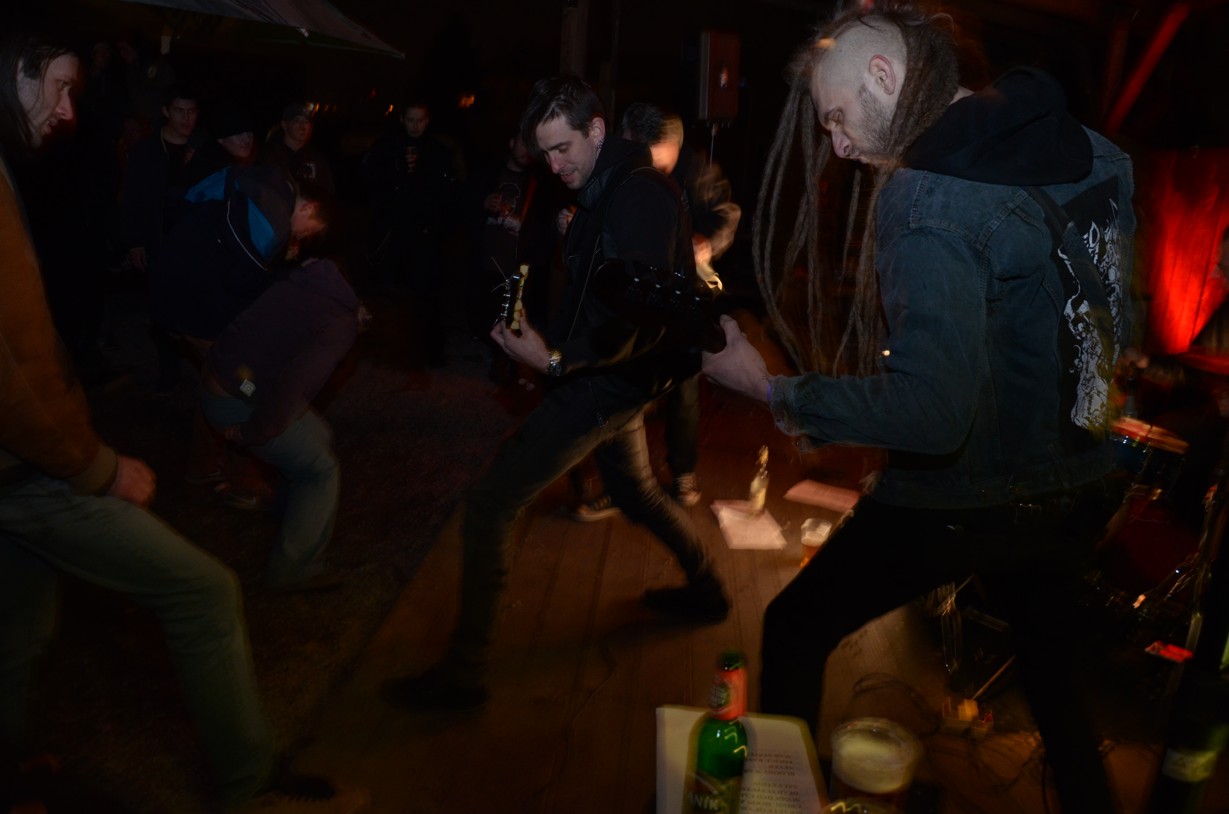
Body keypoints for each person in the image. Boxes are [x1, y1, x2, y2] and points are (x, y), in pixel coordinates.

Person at [701, 5, 1135, 812]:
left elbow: (932, 416)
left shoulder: (924, 196)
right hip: (1077, 485)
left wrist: (764, 386)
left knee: (794, 626)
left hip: (969, 500)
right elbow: (1105, 325)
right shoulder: (1097, 153)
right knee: (1054, 682)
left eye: (836, 118)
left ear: (883, 75)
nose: (836, 145)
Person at [0, 31, 367, 814]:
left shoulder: (252, 183)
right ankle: (248, 779)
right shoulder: (273, 226)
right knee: (203, 593)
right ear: (17, 71)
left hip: (56, 433)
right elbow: (11, 372)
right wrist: (96, 464)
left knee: (20, 627)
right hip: (29, 467)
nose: (68, 111)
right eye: (59, 87)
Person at [382, 75, 729, 713]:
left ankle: (462, 678)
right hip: (614, 381)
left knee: (491, 504)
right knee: (635, 492)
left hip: (601, 385)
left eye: (563, 148)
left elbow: (643, 316)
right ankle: (708, 590)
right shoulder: (604, 185)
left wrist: (556, 358)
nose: (555, 164)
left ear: (597, 130)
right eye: (544, 153)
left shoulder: (639, 195)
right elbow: (606, 290)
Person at [572, 103, 742, 519]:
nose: (652, 176)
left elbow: (727, 213)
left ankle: (682, 470)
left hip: (679, 295)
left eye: (661, 167)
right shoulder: (608, 166)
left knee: (684, 387)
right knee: (619, 386)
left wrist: (706, 240)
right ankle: (621, 485)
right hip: (629, 295)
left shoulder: (695, 168)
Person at [201, 256, 364, 594]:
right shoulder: (342, 324)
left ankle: (292, 514)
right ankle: (292, 568)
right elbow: (291, 390)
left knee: (321, 435)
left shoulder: (316, 281)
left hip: (238, 377)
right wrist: (249, 432)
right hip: (234, 397)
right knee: (320, 470)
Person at [362, 99, 464, 366]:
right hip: (393, 233)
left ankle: (428, 351)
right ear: (402, 120)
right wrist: (397, 169)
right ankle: (388, 350)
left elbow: (450, 193)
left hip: (426, 236)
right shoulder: (387, 146)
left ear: (427, 121)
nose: (415, 126)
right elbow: (369, 182)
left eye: (420, 120)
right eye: (410, 120)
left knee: (426, 294)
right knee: (391, 293)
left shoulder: (438, 150)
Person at [259, 101, 334, 194]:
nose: (302, 126)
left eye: (306, 121)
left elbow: (327, 193)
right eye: (296, 120)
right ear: (284, 125)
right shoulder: (268, 155)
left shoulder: (317, 159)